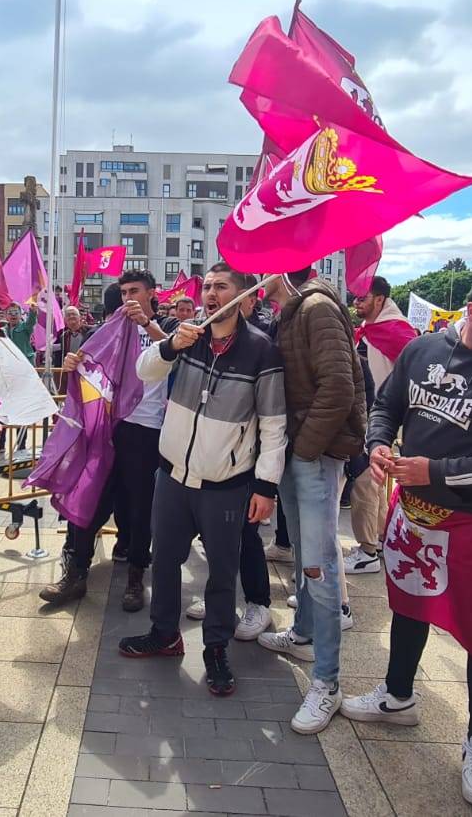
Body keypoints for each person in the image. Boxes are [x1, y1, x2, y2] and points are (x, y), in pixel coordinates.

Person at [348, 269, 472, 809]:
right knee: (406, 606)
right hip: (413, 511)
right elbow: (386, 404)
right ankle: (397, 694)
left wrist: (434, 471)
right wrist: (380, 443)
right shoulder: (422, 349)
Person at [118, 265, 286, 697]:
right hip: (172, 477)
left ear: (243, 295)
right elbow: (145, 372)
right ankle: (164, 634)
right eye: (208, 286)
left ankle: (215, 649)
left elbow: (273, 425)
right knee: (167, 560)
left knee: (221, 574)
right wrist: (171, 344)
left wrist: (266, 487)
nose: (211, 293)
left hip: (225, 484)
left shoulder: (261, 351)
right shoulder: (185, 335)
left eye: (221, 287)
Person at [257, 268, 367, 735]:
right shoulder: (293, 310)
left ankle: (328, 681)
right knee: (306, 554)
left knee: (320, 565)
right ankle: (302, 632)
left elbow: (339, 387)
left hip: (313, 453)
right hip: (299, 449)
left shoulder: (316, 307)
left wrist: (304, 450)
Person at [49, 271, 178, 611]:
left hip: (146, 430)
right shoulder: (107, 329)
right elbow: (90, 363)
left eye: (134, 291)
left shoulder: (168, 327)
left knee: (139, 508)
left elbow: (176, 353)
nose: (127, 298)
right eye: (123, 292)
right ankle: (75, 573)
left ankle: (136, 576)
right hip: (107, 428)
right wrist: (74, 363)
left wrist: (148, 325)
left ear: (152, 293)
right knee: (89, 497)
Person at [347, 275, 415, 575]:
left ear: (380, 299)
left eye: (362, 297)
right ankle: (379, 542)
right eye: (355, 297)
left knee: (365, 484)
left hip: (380, 419)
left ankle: (367, 551)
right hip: (370, 415)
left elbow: (416, 376)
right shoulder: (370, 331)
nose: (356, 302)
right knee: (373, 487)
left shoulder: (397, 332)